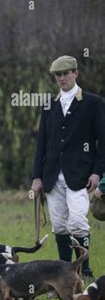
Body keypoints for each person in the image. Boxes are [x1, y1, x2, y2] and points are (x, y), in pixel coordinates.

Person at [32, 55, 105, 278]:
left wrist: (97, 172)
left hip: (80, 175)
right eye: (58, 75)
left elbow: (102, 141)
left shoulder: (93, 103)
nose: (61, 78)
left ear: (75, 73)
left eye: (65, 74)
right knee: (59, 225)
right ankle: (65, 270)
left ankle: (85, 268)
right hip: (52, 175)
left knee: (78, 222)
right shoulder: (49, 105)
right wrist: (37, 177)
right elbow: (41, 143)